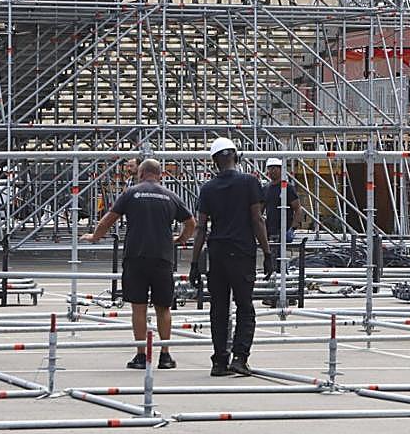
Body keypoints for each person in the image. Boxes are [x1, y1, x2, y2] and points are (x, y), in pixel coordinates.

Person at [82, 158, 195, 370]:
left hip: (136, 257)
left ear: (141, 174)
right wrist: (180, 239)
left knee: (139, 308)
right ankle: (165, 355)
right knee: (163, 308)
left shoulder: (131, 193)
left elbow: (108, 219)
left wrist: (95, 236)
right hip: (162, 258)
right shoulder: (170, 196)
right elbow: (191, 223)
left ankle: (141, 355)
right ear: (160, 175)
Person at [189, 138, 272, 376]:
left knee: (219, 308)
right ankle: (240, 357)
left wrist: (194, 263)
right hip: (242, 252)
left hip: (217, 253)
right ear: (236, 156)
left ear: (214, 161)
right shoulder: (249, 182)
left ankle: (219, 361)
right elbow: (257, 219)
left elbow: (201, 228)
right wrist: (267, 252)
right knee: (245, 306)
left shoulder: (208, 189)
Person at [262, 157, 303, 244]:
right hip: (270, 232)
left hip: (285, 231)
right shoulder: (266, 189)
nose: (271, 171)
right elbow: (260, 210)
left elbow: (298, 209)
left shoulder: (288, 188)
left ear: (281, 169)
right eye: (269, 168)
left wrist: (292, 229)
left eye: (274, 168)